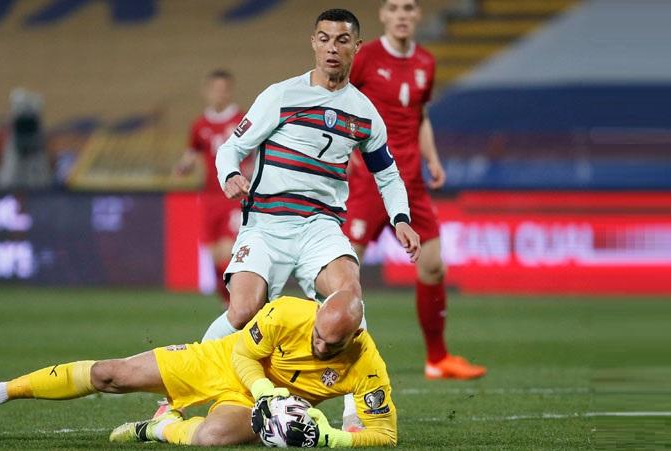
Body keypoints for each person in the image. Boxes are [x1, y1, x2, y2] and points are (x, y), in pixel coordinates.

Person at [201, 8, 420, 344]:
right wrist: (230, 175)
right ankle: (181, 392)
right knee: (243, 310)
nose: (332, 47)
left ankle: (358, 397)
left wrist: (401, 218)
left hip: (320, 227)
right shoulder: (281, 96)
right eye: (325, 39)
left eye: (342, 40)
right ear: (314, 44)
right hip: (266, 224)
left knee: (350, 300)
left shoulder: (364, 113)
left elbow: (387, 174)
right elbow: (230, 148)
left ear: (357, 46)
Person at [0, 291, 398, 447]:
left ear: (354, 337)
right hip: (224, 362)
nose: (319, 343)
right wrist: (266, 391)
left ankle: (158, 428)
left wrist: (333, 438)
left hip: (255, 405)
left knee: (211, 439)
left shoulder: (367, 361)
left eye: (329, 343)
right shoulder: (288, 312)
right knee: (110, 374)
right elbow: (241, 355)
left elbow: (385, 435)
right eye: (317, 333)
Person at [341, 0, 486, 381]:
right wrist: (347, 148)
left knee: (434, 265)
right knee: (341, 270)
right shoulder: (366, 57)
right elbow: (338, 102)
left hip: (411, 183)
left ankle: (437, 359)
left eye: (409, 7)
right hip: (370, 182)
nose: (402, 14)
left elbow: (419, 116)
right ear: (383, 16)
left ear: (417, 16)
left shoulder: (425, 62)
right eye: (394, 8)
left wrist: (432, 158)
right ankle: (326, 352)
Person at [173, 70, 252, 307]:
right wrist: (183, 166)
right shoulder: (199, 125)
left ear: (230, 91)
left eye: (224, 89)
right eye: (215, 89)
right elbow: (193, 151)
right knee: (215, 256)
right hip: (210, 198)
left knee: (229, 252)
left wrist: (251, 170)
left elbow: (256, 150)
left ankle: (240, 303)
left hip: (234, 196)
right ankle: (228, 304)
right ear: (207, 92)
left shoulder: (242, 119)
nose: (219, 94)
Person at [0, 88, 53, 190]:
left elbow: (51, 165)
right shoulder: (3, 136)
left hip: (37, 183)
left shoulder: (42, 138)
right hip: (10, 184)